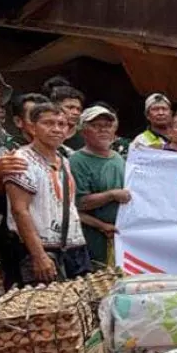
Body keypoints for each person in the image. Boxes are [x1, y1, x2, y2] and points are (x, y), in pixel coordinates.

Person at [4, 103, 90, 284]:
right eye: (48, 123)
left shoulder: (64, 160)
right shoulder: (21, 160)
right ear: (33, 128)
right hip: (42, 250)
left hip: (72, 248)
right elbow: (20, 210)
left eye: (62, 124)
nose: (57, 129)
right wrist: (39, 255)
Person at [70, 106, 129, 269]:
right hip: (94, 241)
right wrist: (111, 195)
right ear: (83, 131)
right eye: (96, 126)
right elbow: (78, 205)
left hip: (122, 239)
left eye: (107, 126)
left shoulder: (118, 158)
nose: (103, 130)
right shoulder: (76, 161)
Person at [44, 77, 85, 151]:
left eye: (78, 109)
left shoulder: (87, 138)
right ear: (55, 107)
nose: (75, 113)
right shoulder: (43, 135)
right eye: (70, 107)